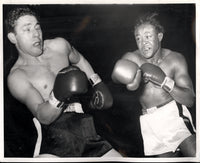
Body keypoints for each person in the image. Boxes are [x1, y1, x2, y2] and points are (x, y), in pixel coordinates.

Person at [5, 7, 122, 157]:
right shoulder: (17, 77)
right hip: (55, 138)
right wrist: (59, 94)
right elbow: (43, 116)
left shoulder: (59, 46)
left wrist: (96, 82)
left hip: (86, 128)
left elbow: (79, 59)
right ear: (13, 38)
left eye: (37, 27)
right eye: (27, 30)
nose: (36, 34)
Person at [111, 12, 196, 157]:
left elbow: (190, 99)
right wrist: (127, 78)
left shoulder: (175, 59)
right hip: (149, 121)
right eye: (138, 38)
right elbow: (116, 75)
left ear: (160, 36)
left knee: (196, 153)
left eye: (148, 37)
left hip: (174, 115)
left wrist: (164, 82)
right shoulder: (132, 57)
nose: (143, 43)